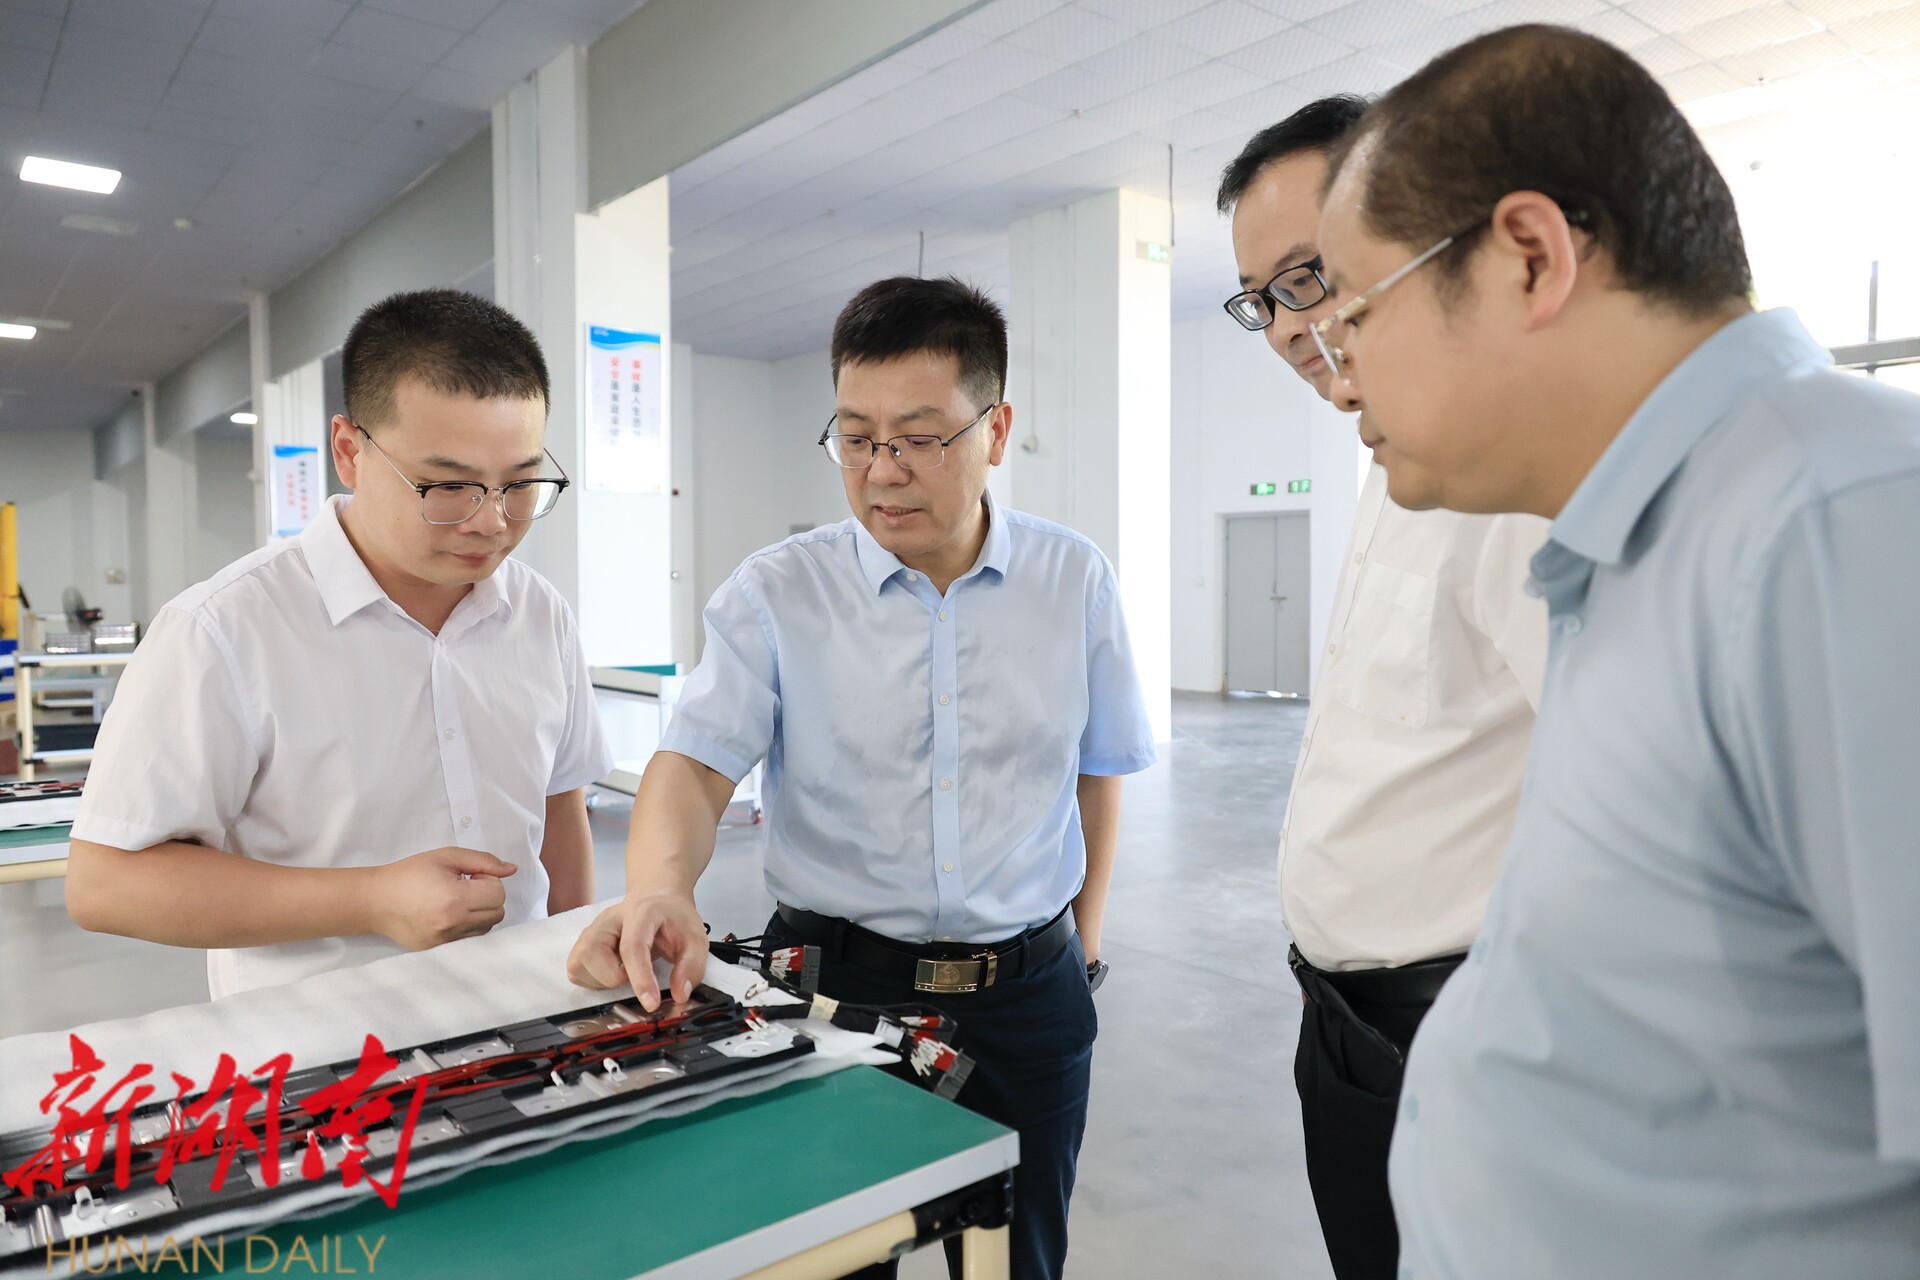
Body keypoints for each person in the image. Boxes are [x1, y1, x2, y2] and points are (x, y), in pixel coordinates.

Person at [1314, 24, 1920, 1278]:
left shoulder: (1835, 525)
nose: (1339, 374)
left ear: (1529, 257)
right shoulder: (1648, 545)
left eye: (1356, 311)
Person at [567, 275, 1156, 1279]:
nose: (884, 471)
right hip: (836, 987)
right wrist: (660, 884)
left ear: (997, 429)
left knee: (1022, 1258)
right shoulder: (778, 592)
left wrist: (1084, 939)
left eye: (920, 437)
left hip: (1030, 998)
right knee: (835, 1258)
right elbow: (696, 763)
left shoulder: (1074, 581)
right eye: (855, 437)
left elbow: (1098, 767)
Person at [1215, 99, 1550, 1280]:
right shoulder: (1387, 453)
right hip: (1357, 1031)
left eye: (1310, 275)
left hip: (1467, 1040)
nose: (1289, 324)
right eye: (1261, 299)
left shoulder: (1521, 476)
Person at [66, 288, 611, 999]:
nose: (492, 521)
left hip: (526, 1019)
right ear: (350, 451)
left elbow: (560, 809)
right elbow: (105, 884)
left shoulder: (542, 614)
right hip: (324, 1046)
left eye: (521, 483)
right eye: (448, 486)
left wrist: (581, 982)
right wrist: (370, 899)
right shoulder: (225, 630)